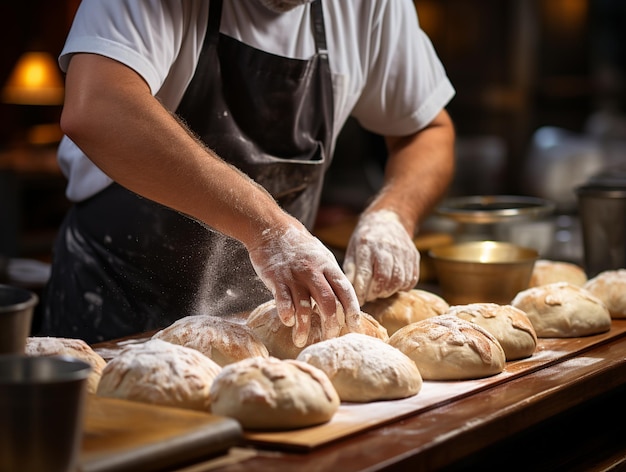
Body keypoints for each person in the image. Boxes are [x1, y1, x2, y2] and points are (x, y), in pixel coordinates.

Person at [39, 0, 456, 345]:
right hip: (115, 310)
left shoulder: (372, 6)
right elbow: (98, 108)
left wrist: (392, 214)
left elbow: (426, 129)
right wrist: (270, 229)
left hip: (272, 327)